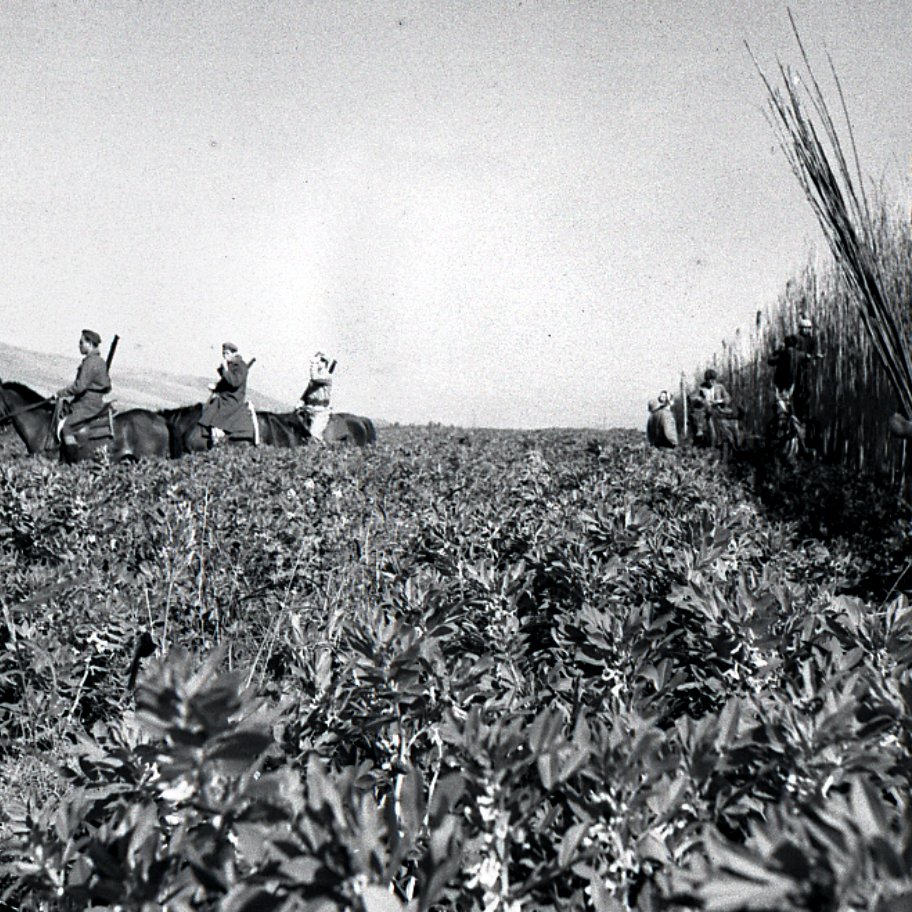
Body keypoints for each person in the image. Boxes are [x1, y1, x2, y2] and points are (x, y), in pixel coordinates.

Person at [55, 329, 112, 441]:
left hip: (87, 405)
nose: (79, 345)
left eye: (81, 342)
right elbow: (108, 386)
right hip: (93, 402)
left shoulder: (90, 362)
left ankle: (71, 458)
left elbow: (79, 386)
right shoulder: (100, 361)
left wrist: (60, 394)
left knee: (66, 427)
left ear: (89, 343)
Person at [198, 342, 250, 445]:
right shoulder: (230, 365)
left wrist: (225, 370)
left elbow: (234, 382)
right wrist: (216, 387)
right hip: (224, 397)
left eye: (226, 353)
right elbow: (225, 383)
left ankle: (218, 442)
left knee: (217, 421)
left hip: (233, 399)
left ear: (233, 353)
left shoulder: (241, 366)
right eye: (223, 353)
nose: (224, 356)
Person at [299, 351, 334, 443]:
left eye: (321, 361)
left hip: (320, 412)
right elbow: (308, 391)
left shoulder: (327, 376)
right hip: (308, 408)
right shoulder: (316, 377)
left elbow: (314, 377)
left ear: (325, 363)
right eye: (318, 360)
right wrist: (301, 401)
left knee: (314, 435)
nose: (318, 362)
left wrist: (313, 364)